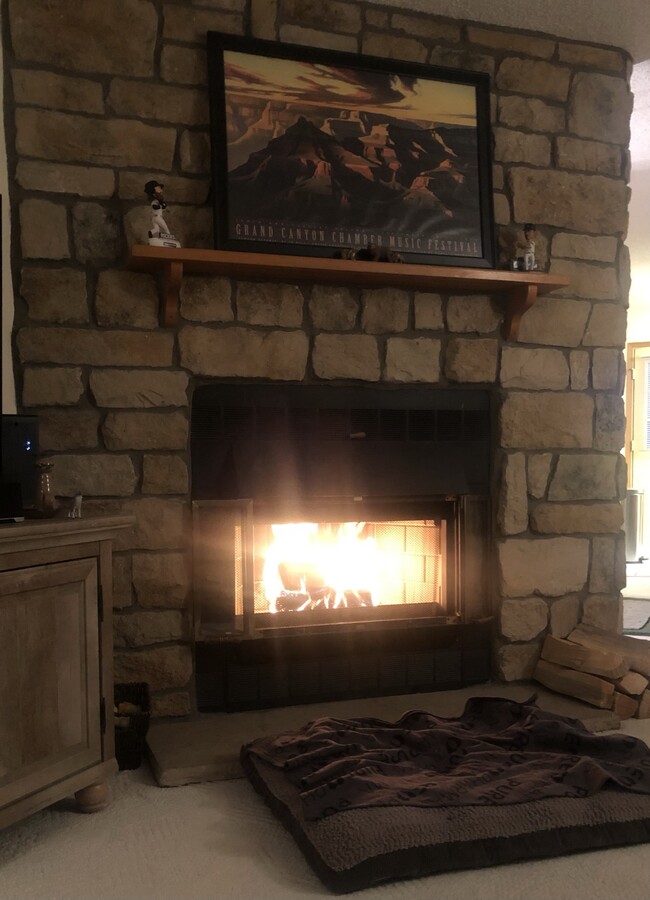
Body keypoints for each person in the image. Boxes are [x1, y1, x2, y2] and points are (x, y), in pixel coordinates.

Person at [144, 180, 181, 247]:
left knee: (157, 229)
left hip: (154, 218)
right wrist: (161, 205)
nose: (161, 190)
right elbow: (155, 206)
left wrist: (163, 205)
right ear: (154, 190)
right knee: (166, 228)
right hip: (158, 217)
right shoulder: (155, 201)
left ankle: (151, 232)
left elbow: (163, 206)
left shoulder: (158, 200)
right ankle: (170, 240)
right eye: (158, 188)